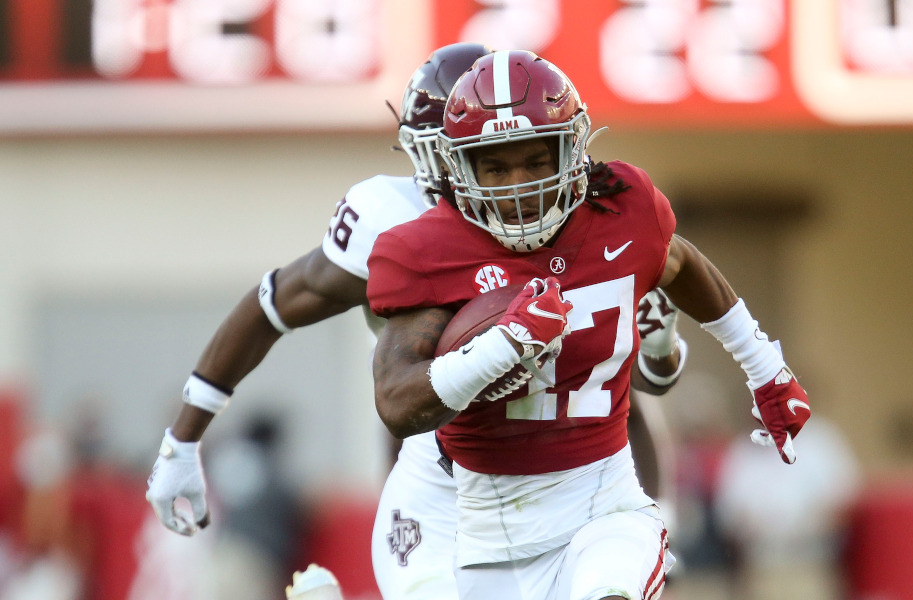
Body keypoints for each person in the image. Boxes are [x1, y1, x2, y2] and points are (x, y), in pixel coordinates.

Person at [142, 43, 687, 600]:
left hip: (557, 480)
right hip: (438, 473)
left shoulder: (568, 224)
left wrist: (661, 355)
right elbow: (273, 306)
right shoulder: (394, 221)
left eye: (514, 152)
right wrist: (181, 441)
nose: (496, 180)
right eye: (473, 154)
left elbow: (626, 391)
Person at [366, 49, 811, 600]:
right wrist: (504, 345)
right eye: (496, 167)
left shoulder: (623, 212)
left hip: (603, 507)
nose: (519, 186)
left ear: (572, 151)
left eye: (536, 161)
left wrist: (764, 365)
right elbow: (395, 402)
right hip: (485, 530)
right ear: (462, 169)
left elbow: (680, 261)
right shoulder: (430, 249)